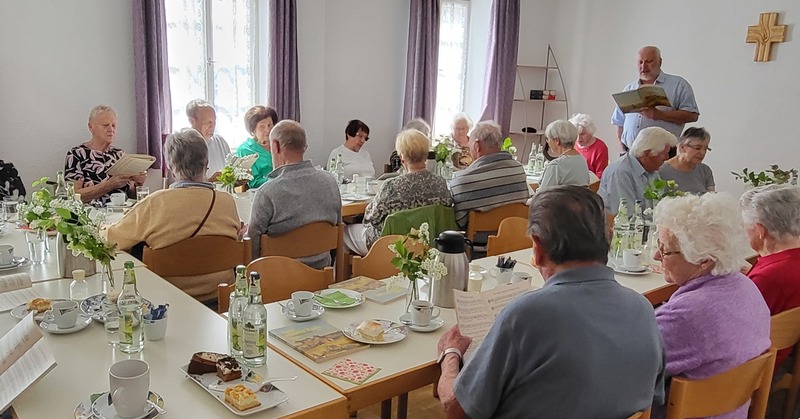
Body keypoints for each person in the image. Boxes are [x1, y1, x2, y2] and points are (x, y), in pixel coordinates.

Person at [437, 186, 665, 418]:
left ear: (537, 248)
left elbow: (457, 410)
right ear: (609, 238)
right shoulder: (644, 310)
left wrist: (451, 355)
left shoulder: (526, 315)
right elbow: (653, 397)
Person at [652, 193, 770, 418]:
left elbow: (626, 368)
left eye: (665, 250)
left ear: (704, 260)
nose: (657, 255)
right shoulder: (746, 287)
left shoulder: (685, 317)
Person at [105, 128, 241, 302]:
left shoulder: (156, 202)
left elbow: (113, 240)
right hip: (220, 296)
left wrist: (102, 227)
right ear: (206, 163)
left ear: (170, 165)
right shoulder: (227, 202)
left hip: (167, 297)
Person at [248, 120, 341, 268]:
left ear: (275, 146)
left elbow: (252, 249)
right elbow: (337, 229)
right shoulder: (330, 182)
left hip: (278, 278)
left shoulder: (267, 192)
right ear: (305, 147)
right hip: (322, 273)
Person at [344, 129, 452, 256]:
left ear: (402, 157)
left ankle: (353, 273)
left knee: (344, 232)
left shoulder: (392, 186)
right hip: (428, 243)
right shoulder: (441, 184)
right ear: (426, 154)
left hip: (391, 246)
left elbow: (371, 219)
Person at [741, 185, 800, 367]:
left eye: (745, 226)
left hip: (756, 369)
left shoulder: (769, 278)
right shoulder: (780, 267)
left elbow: (734, 326)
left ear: (760, 231)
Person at [611, 46, 699, 154]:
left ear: (660, 62)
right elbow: (619, 122)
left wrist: (660, 115)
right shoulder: (629, 89)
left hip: (661, 154)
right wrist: (622, 148)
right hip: (630, 153)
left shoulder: (678, 85)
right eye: (640, 62)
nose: (644, 66)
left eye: (649, 61)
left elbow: (692, 115)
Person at [449, 120, 529, 229]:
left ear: (477, 146)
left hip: (477, 244)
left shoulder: (462, 182)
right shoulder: (519, 170)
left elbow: (459, 222)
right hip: (514, 241)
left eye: (470, 147)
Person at [65, 105, 146, 205]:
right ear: (91, 127)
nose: (111, 129)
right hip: (91, 214)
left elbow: (132, 196)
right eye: (105, 125)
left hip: (122, 213)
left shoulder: (119, 154)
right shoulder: (76, 154)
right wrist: (109, 185)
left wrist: (139, 183)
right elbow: (73, 196)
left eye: (113, 125)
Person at [598, 126, 676, 217]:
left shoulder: (651, 170)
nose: (667, 158)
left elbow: (660, 204)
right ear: (648, 153)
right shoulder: (620, 172)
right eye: (664, 153)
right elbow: (626, 215)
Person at [658, 127, 714, 195]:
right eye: (697, 148)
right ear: (682, 147)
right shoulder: (661, 171)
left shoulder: (705, 170)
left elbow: (712, 198)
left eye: (705, 149)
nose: (702, 152)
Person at [537, 120, 590, 191]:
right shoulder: (581, 160)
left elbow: (542, 197)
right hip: (580, 201)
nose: (548, 142)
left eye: (548, 139)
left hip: (559, 201)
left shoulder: (556, 165)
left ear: (557, 141)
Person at [186, 99, 231, 180]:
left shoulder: (221, 142)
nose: (212, 126)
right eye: (208, 122)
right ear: (192, 121)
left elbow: (231, 169)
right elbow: (181, 185)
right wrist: (209, 182)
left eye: (214, 121)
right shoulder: (183, 146)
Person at [236, 105, 279, 189]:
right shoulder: (245, 150)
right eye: (262, 126)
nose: (267, 130)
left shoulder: (280, 144)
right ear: (253, 130)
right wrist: (278, 178)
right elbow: (254, 182)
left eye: (270, 125)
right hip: (261, 193)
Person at [569, 113, 609, 178]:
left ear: (590, 132)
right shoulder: (572, 144)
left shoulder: (600, 147)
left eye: (582, 134)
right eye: (576, 134)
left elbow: (600, 174)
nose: (578, 138)